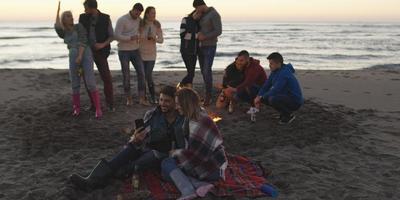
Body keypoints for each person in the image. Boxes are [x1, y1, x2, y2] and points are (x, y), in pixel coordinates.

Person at [69, 86, 186, 190]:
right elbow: (143, 133)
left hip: (166, 155)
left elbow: (185, 144)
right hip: (148, 148)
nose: (162, 104)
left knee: (149, 156)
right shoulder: (153, 115)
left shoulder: (182, 118)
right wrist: (136, 137)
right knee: (131, 148)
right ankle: (92, 179)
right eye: (161, 100)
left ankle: (111, 176)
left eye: (167, 101)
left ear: (175, 103)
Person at [161, 88, 227, 200]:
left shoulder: (198, 122)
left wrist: (177, 152)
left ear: (185, 104)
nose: (176, 107)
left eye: (178, 104)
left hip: (211, 169)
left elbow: (196, 155)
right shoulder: (196, 115)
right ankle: (200, 185)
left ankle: (187, 190)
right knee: (166, 172)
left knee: (167, 164)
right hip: (213, 164)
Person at [54, 2, 102, 118]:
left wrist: (80, 56)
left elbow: (83, 41)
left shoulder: (79, 26)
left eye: (71, 15)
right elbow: (56, 26)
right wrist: (58, 11)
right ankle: (76, 108)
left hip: (85, 53)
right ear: (63, 20)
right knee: (75, 83)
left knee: (90, 82)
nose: (72, 17)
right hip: (73, 55)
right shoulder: (64, 32)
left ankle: (98, 109)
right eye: (68, 16)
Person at [79, 0, 115, 112]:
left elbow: (111, 36)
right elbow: (80, 34)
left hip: (101, 51)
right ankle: (93, 104)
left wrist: (102, 45)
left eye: (86, 8)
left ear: (92, 8)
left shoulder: (105, 18)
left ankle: (110, 104)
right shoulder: (83, 17)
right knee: (87, 79)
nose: (84, 10)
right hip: (86, 52)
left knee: (106, 78)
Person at [114, 2, 150, 106]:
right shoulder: (122, 20)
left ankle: (142, 98)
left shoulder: (139, 20)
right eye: (136, 13)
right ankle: (129, 99)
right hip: (123, 51)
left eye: (139, 14)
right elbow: (116, 36)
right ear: (133, 10)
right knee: (126, 75)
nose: (138, 15)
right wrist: (130, 38)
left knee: (141, 73)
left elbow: (147, 24)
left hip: (135, 50)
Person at [254, 52, 304, 124]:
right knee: (265, 97)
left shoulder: (284, 73)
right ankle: (283, 113)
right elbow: (266, 85)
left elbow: (276, 90)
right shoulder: (275, 72)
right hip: (285, 97)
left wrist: (261, 97)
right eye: (269, 63)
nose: (269, 66)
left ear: (278, 64)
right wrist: (258, 96)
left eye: (271, 64)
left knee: (272, 99)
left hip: (295, 101)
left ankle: (288, 115)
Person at [192, 0, 222, 106]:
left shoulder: (214, 14)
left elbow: (218, 31)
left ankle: (208, 96)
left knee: (206, 70)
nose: (196, 10)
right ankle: (207, 95)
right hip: (200, 46)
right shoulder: (202, 14)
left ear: (201, 5)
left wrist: (205, 36)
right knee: (203, 71)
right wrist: (195, 18)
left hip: (210, 45)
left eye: (196, 8)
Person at [139, 6, 164, 104]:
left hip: (151, 54)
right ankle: (144, 97)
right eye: (152, 13)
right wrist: (141, 36)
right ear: (147, 14)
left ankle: (153, 97)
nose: (154, 15)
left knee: (148, 75)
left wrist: (154, 38)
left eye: (155, 13)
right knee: (142, 76)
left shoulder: (156, 24)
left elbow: (161, 40)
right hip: (140, 53)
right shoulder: (140, 24)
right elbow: (137, 37)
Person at [177, 10, 202, 89]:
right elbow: (182, 34)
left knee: (191, 73)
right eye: (197, 13)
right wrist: (196, 36)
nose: (198, 15)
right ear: (194, 12)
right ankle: (180, 85)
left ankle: (189, 89)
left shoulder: (199, 23)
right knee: (191, 73)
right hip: (186, 50)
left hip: (194, 52)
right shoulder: (185, 20)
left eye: (200, 15)